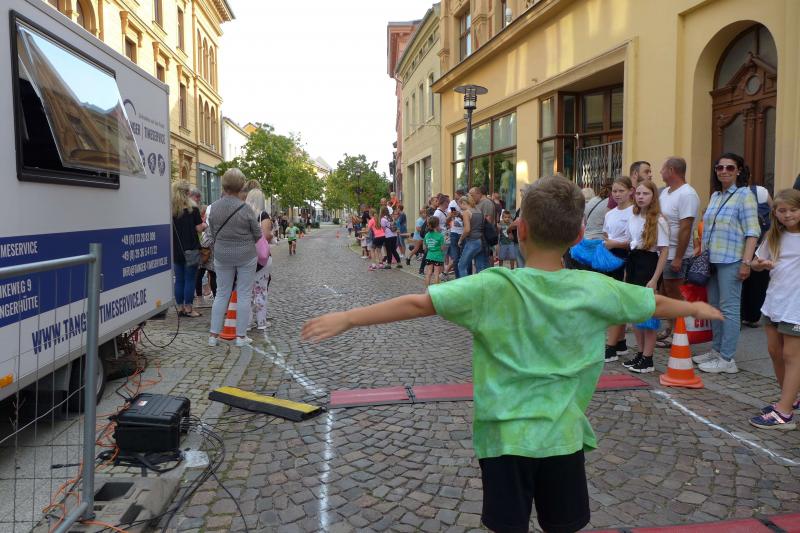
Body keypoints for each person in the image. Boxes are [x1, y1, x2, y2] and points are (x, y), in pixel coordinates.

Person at [301, 176, 722, 533]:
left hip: (504, 440)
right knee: (564, 524)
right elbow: (653, 303)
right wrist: (695, 308)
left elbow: (418, 303)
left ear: (519, 230)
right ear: (579, 236)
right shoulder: (595, 288)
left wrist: (349, 318)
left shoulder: (493, 286)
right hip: (562, 437)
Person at [695, 153, 760, 374]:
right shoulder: (715, 195)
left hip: (732, 259)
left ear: (739, 171)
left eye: (730, 168)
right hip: (712, 260)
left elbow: (752, 232)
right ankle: (716, 350)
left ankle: (727, 358)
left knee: (729, 309)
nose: (724, 171)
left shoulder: (745, 195)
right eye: (720, 167)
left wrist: (746, 262)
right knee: (714, 307)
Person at [748, 189, 800, 429]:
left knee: (792, 356)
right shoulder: (774, 236)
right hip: (775, 302)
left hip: (796, 305)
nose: (788, 215)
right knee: (774, 351)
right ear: (775, 213)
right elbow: (755, 263)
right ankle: (790, 398)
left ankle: (785, 413)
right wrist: (760, 264)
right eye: (782, 210)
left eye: (793, 210)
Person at [207, 169, 261, 347]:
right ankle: (240, 337)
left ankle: (213, 336)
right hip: (246, 255)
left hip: (222, 254)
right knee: (244, 294)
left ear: (224, 185)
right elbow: (257, 234)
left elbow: (212, 232)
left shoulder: (214, 207)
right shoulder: (246, 209)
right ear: (241, 186)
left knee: (222, 293)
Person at [621, 180, 670, 373]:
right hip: (634, 262)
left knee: (648, 315)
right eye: (639, 193)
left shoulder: (659, 220)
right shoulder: (633, 216)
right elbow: (630, 244)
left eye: (646, 194)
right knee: (636, 314)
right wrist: (626, 274)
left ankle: (648, 358)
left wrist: (655, 279)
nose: (641, 197)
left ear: (653, 196)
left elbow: (664, 251)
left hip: (648, 264)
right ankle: (640, 353)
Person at [659, 157, 700, 340]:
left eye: (663, 168)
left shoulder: (687, 194)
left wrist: (678, 258)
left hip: (676, 254)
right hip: (663, 251)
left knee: (675, 294)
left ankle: (680, 335)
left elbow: (686, 227)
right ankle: (670, 328)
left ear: (672, 170)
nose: (660, 172)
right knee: (665, 293)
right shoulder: (665, 192)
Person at [602, 176, 635, 362]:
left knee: (618, 301)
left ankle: (611, 346)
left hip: (626, 256)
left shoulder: (634, 212)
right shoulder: (610, 213)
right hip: (610, 256)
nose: (617, 194)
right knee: (612, 300)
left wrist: (616, 244)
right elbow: (606, 234)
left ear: (630, 191)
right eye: (614, 191)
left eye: (621, 191)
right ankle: (620, 341)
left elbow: (634, 240)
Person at [741, 184, 773, 327]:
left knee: (742, 281)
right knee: (758, 282)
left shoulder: (725, 193)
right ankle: (752, 316)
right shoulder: (760, 191)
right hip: (761, 241)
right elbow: (773, 215)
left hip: (740, 244)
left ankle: (741, 315)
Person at [172, 180, 206, 318]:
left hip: (176, 249)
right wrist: (205, 225)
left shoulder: (171, 210)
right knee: (190, 279)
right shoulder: (193, 209)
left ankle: (180, 308)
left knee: (179, 279)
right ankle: (189, 308)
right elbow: (199, 228)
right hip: (191, 248)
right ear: (187, 192)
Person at [246, 188, 273, 331]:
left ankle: (247, 323)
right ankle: (261, 322)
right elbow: (266, 235)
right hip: (261, 258)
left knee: (247, 292)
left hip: (245, 256)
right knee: (261, 290)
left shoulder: (243, 213)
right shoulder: (263, 215)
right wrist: (272, 236)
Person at [458, 194, 488, 277]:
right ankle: (481, 284)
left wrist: (460, 239)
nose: (460, 207)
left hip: (472, 241)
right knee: (480, 268)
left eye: (460, 205)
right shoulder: (479, 211)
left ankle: (465, 284)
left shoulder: (466, 213)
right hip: (481, 241)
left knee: (462, 266)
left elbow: (467, 230)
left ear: (463, 203)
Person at [422, 216, 446, 287]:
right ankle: (436, 290)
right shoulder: (440, 236)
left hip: (429, 256)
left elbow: (424, 248)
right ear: (437, 225)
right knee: (436, 274)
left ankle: (427, 289)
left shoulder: (427, 235)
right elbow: (442, 248)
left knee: (428, 273)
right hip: (438, 257)